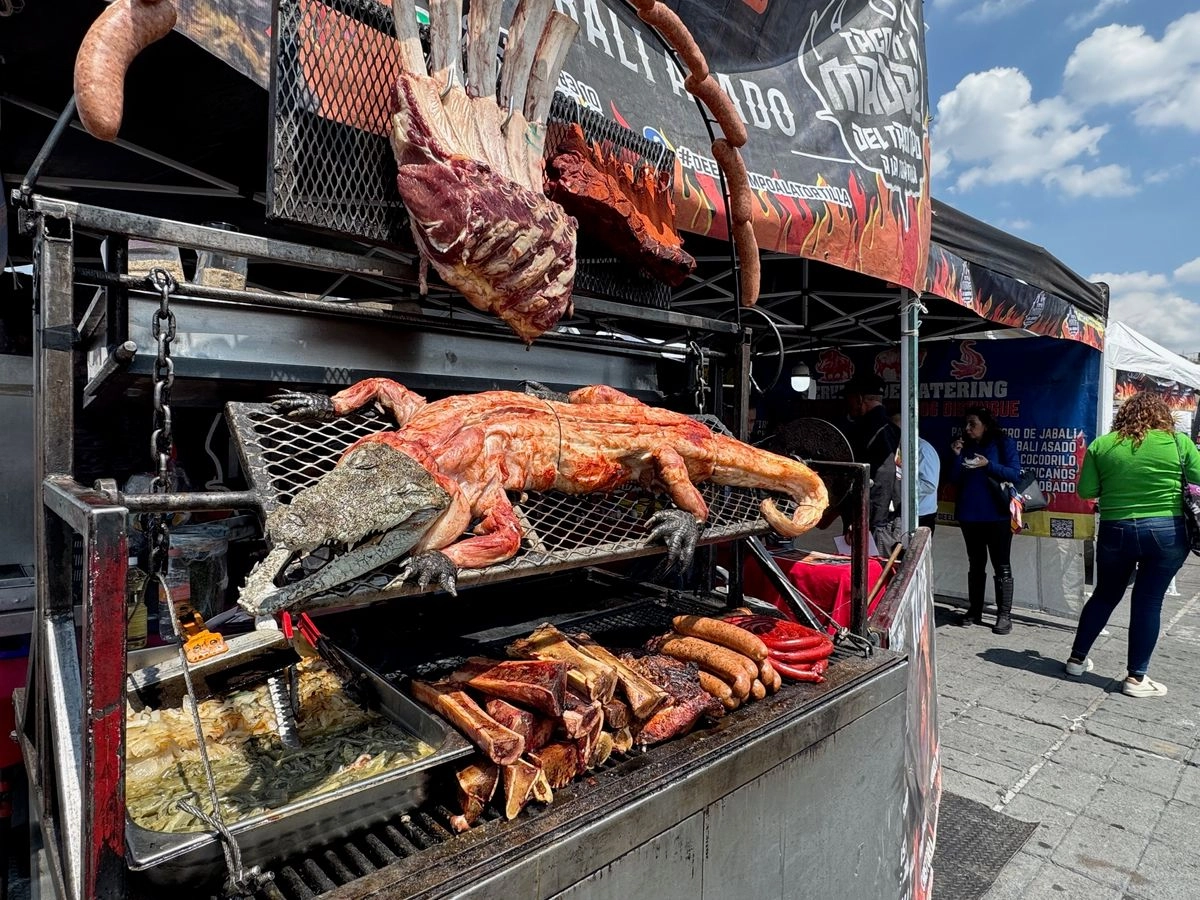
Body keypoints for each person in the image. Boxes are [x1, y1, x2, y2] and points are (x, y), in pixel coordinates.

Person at [1064, 392, 1200, 698]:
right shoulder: (1178, 443)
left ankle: (1076, 659)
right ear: (1163, 415)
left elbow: (1086, 491)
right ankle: (1136, 678)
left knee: (1104, 595)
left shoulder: (1102, 445)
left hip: (1116, 529)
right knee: (1148, 601)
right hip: (1166, 531)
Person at [951, 406, 1022, 633]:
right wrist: (955, 456)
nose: (967, 428)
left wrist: (988, 465)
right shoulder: (964, 445)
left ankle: (1004, 615)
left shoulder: (1003, 443)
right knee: (975, 563)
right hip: (969, 514)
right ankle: (975, 610)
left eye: (973, 424)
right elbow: (953, 478)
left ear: (986, 425)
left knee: (1001, 564)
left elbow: (1015, 474)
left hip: (998, 514)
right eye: (966, 424)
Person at [844, 377, 901, 552]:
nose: (848, 405)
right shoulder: (893, 429)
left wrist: (861, 520)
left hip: (873, 524)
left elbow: (884, 473)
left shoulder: (869, 429)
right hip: (888, 519)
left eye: (850, 399)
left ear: (860, 399)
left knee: (870, 575)